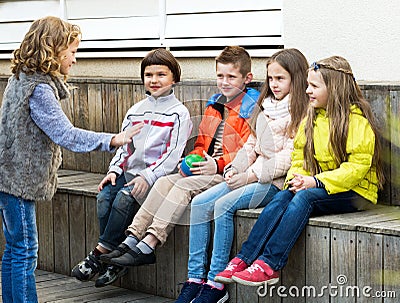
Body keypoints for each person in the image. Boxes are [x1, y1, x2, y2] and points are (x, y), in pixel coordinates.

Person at [0, 16, 143, 303]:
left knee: (15, 249)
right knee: (26, 249)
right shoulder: (38, 88)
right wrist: (112, 139)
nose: (75, 60)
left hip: (7, 176)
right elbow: (66, 134)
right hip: (17, 182)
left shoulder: (21, 77)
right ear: (53, 49)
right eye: (73, 51)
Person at [217, 55, 384, 288]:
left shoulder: (356, 121)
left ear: (334, 88)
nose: (307, 91)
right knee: (283, 195)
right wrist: (295, 180)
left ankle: (270, 265)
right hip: (321, 185)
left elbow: (356, 168)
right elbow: (300, 156)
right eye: (307, 85)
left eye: (314, 86)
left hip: (357, 192)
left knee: (304, 198)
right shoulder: (311, 118)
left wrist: (315, 181)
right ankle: (244, 259)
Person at [100, 46, 260, 274]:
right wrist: (192, 160)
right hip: (207, 169)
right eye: (220, 76)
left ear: (247, 78)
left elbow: (250, 151)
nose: (224, 82)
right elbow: (202, 144)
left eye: (231, 77)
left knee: (182, 187)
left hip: (232, 174)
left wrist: (217, 164)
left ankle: (150, 243)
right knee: (165, 181)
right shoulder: (215, 106)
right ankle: (132, 239)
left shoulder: (252, 108)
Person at [175, 48, 309, 303]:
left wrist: (248, 176)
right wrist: (236, 167)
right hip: (250, 173)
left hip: (275, 183)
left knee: (223, 205)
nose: (274, 84)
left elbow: (288, 158)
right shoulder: (266, 106)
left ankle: (215, 283)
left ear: (297, 78)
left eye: (280, 79)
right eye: (270, 79)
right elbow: (250, 144)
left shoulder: (301, 112)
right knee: (201, 203)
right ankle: (195, 279)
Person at [71, 48, 192, 287]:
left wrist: (147, 176)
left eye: (161, 74)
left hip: (159, 178)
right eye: (149, 75)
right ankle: (115, 261)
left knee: (126, 198)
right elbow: (124, 147)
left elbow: (172, 155)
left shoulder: (179, 113)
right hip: (129, 173)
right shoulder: (136, 111)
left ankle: (100, 255)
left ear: (174, 78)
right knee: (105, 197)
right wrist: (114, 171)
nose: (154, 80)